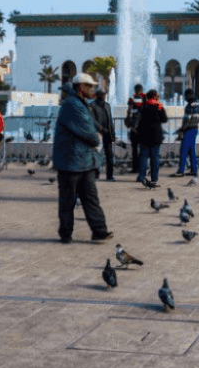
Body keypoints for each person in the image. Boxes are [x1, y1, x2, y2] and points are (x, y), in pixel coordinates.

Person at [54, 73, 112, 243]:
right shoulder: (72, 105)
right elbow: (89, 132)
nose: (93, 89)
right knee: (68, 201)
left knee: (90, 198)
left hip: (82, 161)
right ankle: (66, 233)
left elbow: (91, 124)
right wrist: (97, 137)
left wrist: (101, 130)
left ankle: (100, 231)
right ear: (81, 87)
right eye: (90, 86)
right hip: (70, 162)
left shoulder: (79, 104)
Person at [136, 89, 168, 185]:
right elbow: (164, 119)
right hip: (156, 135)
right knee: (155, 157)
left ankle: (141, 176)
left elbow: (140, 120)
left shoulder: (144, 106)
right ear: (154, 95)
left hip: (145, 135)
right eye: (157, 94)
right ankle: (154, 178)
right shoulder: (159, 105)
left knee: (143, 157)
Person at [171, 88, 199, 177]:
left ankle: (181, 171)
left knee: (183, 151)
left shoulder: (190, 106)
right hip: (194, 129)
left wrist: (182, 129)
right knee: (191, 151)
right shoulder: (197, 104)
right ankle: (193, 170)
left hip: (189, 129)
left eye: (186, 96)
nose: (185, 98)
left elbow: (187, 120)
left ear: (189, 95)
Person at [90, 87, 116, 181]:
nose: (103, 96)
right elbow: (92, 120)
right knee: (96, 154)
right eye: (101, 94)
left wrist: (112, 132)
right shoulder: (92, 105)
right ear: (97, 95)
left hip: (107, 134)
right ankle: (95, 174)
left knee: (109, 155)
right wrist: (101, 129)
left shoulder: (107, 105)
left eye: (104, 94)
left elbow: (110, 119)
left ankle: (110, 175)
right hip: (98, 134)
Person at [126, 83, 144, 173]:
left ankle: (135, 167)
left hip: (133, 127)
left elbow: (129, 112)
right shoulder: (145, 99)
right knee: (142, 148)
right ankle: (142, 167)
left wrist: (128, 122)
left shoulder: (132, 99)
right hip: (142, 127)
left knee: (134, 148)